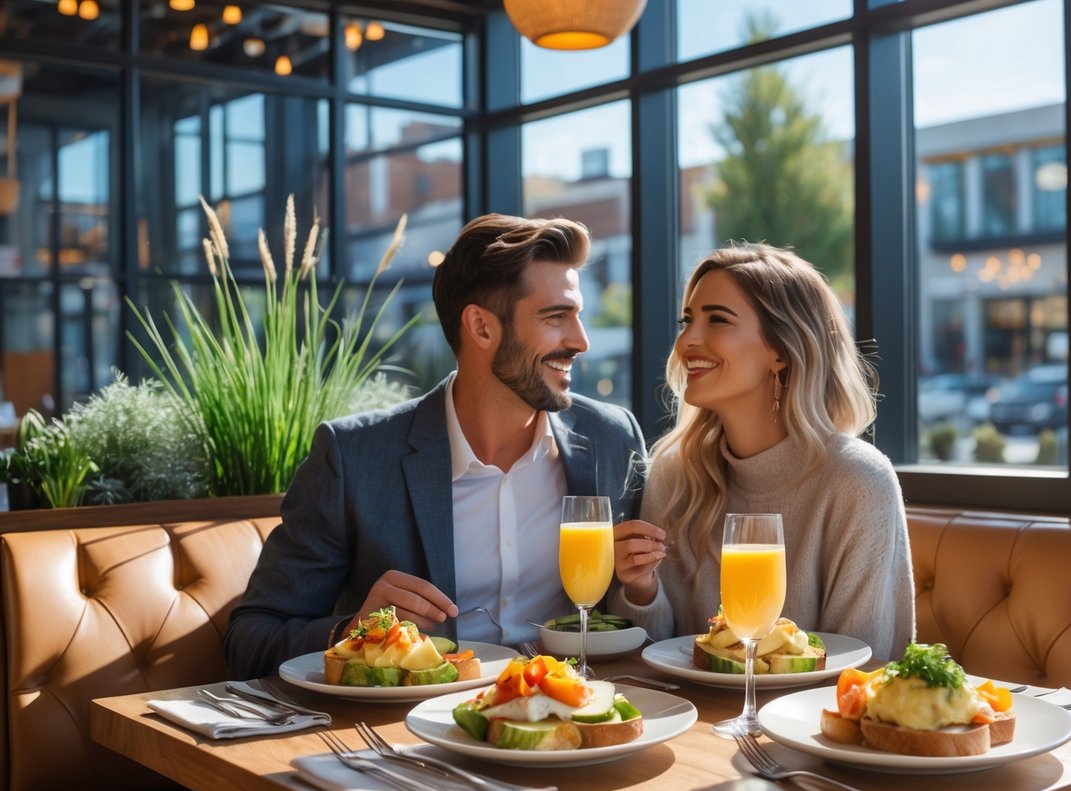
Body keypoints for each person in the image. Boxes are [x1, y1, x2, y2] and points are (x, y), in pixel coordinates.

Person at [225, 214, 646, 680]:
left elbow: (642, 609)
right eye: (556, 317)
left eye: (578, 314)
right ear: (481, 328)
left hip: (567, 721)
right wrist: (357, 632)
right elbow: (250, 640)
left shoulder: (612, 439)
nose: (580, 340)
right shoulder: (354, 458)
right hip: (416, 731)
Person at [609, 243, 914, 661]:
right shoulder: (674, 473)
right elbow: (663, 651)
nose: (687, 341)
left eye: (717, 319)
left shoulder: (859, 481)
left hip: (805, 723)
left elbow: (865, 662)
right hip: (693, 720)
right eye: (687, 320)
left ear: (781, 351)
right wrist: (641, 589)